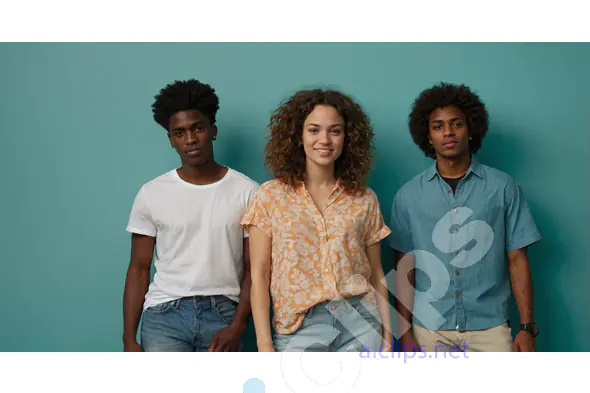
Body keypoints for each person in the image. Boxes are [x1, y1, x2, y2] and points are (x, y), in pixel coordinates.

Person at [389, 82, 541, 352]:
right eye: (438, 126)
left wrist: (527, 327)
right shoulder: (408, 196)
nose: (448, 132)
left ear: (471, 129)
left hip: (491, 328)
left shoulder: (503, 187)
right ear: (428, 136)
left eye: (456, 124)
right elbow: (404, 268)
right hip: (430, 330)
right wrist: (405, 333)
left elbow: (518, 260)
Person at [241, 88, 392, 352]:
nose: (325, 139)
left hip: (360, 325)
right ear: (298, 136)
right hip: (299, 328)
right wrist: (264, 343)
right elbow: (260, 274)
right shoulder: (269, 197)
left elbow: (377, 272)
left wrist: (389, 336)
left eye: (335, 131)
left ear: (347, 138)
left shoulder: (365, 199)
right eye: (313, 130)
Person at [122, 79, 259, 352]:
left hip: (222, 313)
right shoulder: (151, 193)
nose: (191, 139)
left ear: (213, 130)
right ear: (171, 139)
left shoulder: (247, 191)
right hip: (163, 316)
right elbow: (138, 268)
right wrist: (128, 338)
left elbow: (255, 269)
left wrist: (238, 326)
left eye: (198, 128)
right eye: (180, 132)